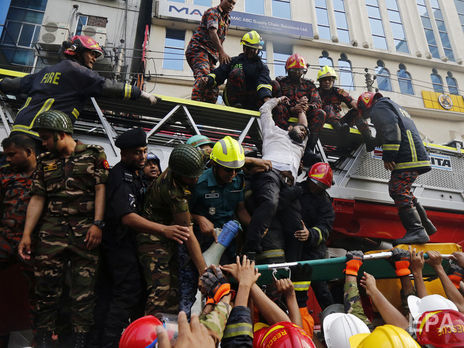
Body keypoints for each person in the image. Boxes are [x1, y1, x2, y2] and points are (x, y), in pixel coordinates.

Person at [17, 110, 109, 348]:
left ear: (61, 134)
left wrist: (98, 223)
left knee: (84, 292)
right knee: (45, 289)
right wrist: (27, 234)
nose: (44, 142)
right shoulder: (46, 161)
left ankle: (79, 342)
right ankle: (45, 340)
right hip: (52, 231)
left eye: (47, 137)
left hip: (85, 231)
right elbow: (37, 198)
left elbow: (101, 189)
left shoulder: (93, 154)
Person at [91, 128, 190, 348]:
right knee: (126, 292)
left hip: (131, 245)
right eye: (137, 153)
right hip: (118, 244)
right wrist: (164, 230)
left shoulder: (136, 174)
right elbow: (128, 217)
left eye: (145, 151)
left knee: (135, 294)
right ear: (124, 154)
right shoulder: (120, 176)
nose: (143, 157)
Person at [0, 35, 157, 140]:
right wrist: (141, 93)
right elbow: (107, 86)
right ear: (77, 51)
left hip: (19, 128)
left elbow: (13, 84)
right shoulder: (78, 72)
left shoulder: (45, 72)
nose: (94, 59)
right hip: (42, 134)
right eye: (92, 53)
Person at [357, 92, 433, 245]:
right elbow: (379, 138)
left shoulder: (380, 107)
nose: (370, 116)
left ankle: (417, 231)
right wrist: (364, 130)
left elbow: (390, 129)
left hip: (407, 157)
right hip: (414, 156)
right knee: (404, 190)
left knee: (397, 189)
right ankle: (425, 225)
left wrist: (389, 156)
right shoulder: (392, 106)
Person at [140, 144, 207, 315]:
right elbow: (188, 234)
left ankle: (168, 333)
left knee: (174, 291)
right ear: (180, 174)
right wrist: (202, 272)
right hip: (152, 238)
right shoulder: (174, 192)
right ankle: (147, 334)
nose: (196, 180)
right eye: (192, 177)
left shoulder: (181, 164)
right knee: (160, 290)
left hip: (169, 235)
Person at [245, 96, 309, 256]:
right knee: (270, 202)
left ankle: (294, 267)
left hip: (289, 184)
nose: (303, 133)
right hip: (270, 173)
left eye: (305, 132)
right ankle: (250, 248)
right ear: (289, 128)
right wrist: (278, 99)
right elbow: (264, 110)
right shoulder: (272, 131)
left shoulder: (300, 144)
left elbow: (304, 123)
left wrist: (301, 110)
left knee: (297, 227)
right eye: (300, 130)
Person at [190, 136, 251, 261]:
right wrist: (198, 218)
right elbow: (182, 213)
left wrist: (256, 225)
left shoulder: (239, 180)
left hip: (230, 240)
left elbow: (241, 210)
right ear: (214, 164)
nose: (233, 174)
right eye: (228, 169)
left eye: (237, 169)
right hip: (203, 240)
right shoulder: (199, 183)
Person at [271, 54, 325, 160]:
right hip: (287, 113)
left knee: (320, 113)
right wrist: (293, 108)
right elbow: (278, 99)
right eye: (294, 70)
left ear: (303, 71)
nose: (297, 73)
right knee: (279, 108)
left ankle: (308, 149)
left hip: (305, 114)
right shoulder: (281, 82)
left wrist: (307, 107)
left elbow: (317, 101)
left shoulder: (309, 85)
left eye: (299, 70)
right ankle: (284, 143)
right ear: (288, 70)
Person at [201, 30, 272, 110]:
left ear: (258, 50)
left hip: (252, 102)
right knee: (237, 72)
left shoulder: (262, 67)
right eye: (247, 48)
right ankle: (236, 103)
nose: (250, 52)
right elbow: (220, 72)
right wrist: (209, 79)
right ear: (244, 47)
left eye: (253, 49)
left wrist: (268, 101)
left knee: (274, 84)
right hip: (233, 101)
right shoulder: (234, 61)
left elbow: (263, 83)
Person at [298, 162, 335, 310]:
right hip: (296, 249)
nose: (315, 187)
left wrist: (310, 234)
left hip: (314, 252)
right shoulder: (297, 190)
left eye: (319, 185)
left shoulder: (325, 204)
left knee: (322, 291)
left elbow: (325, 230)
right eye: (314, 182)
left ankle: (333, 317)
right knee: (298, 289)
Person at [185, 0, 236, 103]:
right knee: (203, 77)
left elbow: (220, 39)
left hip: (212, 56)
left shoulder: (227, 19)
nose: (231, 5)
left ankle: (208, 111)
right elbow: (212, 32)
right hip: (198, 49)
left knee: (214, 82)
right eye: (229, 1)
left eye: (234, 3)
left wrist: (220, 55)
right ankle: (194, 107)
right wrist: (222, 52)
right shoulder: (213, 12)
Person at [316, 65, 376, 151]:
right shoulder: (315, 92)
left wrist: (365, 108)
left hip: (341, 124)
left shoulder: (338, 91)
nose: (327, 82)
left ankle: (368, 139)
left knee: (356, 112)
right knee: (328, 107)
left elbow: (352, 102)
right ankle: (340, 130)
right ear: (320, 81)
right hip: (323, 121)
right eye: (324, 80)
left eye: (329, 80)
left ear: (333, 81)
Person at [0, 134, 37, 266]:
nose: (7, 159)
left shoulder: (47, 174)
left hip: (36, 240)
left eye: (12, 154)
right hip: (6, 236)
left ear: (28, 152)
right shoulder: (4, 174)